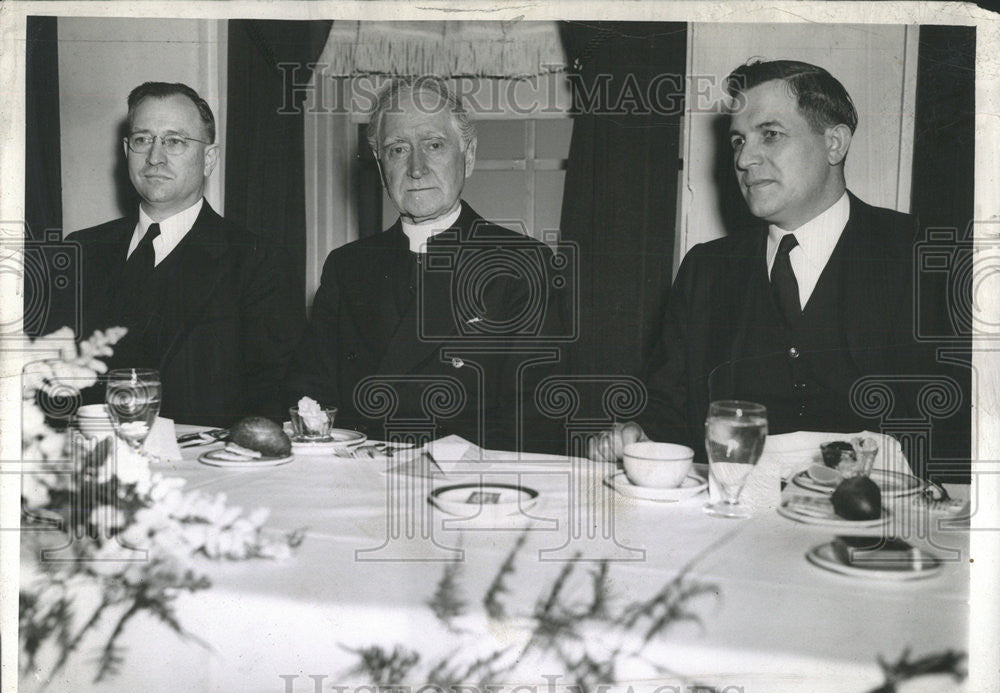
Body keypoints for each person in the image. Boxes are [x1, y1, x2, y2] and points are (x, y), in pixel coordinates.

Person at [590, 59, 938, 462]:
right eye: (738, 141)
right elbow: (668, 413)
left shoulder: (920, 253)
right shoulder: (705, 270)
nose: (743, 160)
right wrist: (642, 436)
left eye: (770, 134)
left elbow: (958, 424)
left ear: (834, 143)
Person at [287, 77, 563, 451]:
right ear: (381, 164)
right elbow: (311, 397)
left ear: (467, 156)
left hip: (463, 489)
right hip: (355, 483)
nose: (416, 168)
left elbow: (533, 423)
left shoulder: (523, 265)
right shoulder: (347, 267)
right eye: (398, 149)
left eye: (434, 145)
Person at [63, 82, 302, 426]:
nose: (154, 158)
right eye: (143, 139)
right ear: (126, 149)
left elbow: (271, 397)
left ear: (208, 159)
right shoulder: (80, 250)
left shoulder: (258, 261)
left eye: (174, 141)